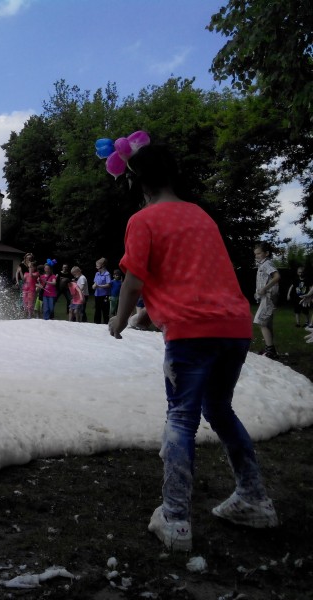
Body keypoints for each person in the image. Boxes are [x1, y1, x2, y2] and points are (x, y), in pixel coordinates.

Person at [108, 143, 277, 552]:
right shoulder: (201, 216)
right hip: (234, 326)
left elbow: (133, 280)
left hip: (192, 332)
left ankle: (176, 517)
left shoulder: (143, 219)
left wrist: (119, 319)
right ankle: (254, 497)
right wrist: (152, 313)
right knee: (218, 408)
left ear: (138, 181)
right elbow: (194, 277)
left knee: (181, 417)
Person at [253, 241, 281, 359]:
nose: (257, 256)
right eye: (255, 254)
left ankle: (270, 350)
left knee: (260, 321)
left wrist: (264, 289)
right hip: (266, 296)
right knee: (267, 324)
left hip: (269, 297)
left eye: (259, 254)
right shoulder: (261, 265)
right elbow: (263, 279)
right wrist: (258, 292)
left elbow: (277, 277)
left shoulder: (266, 264)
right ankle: (269, 348)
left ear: (266, 253)